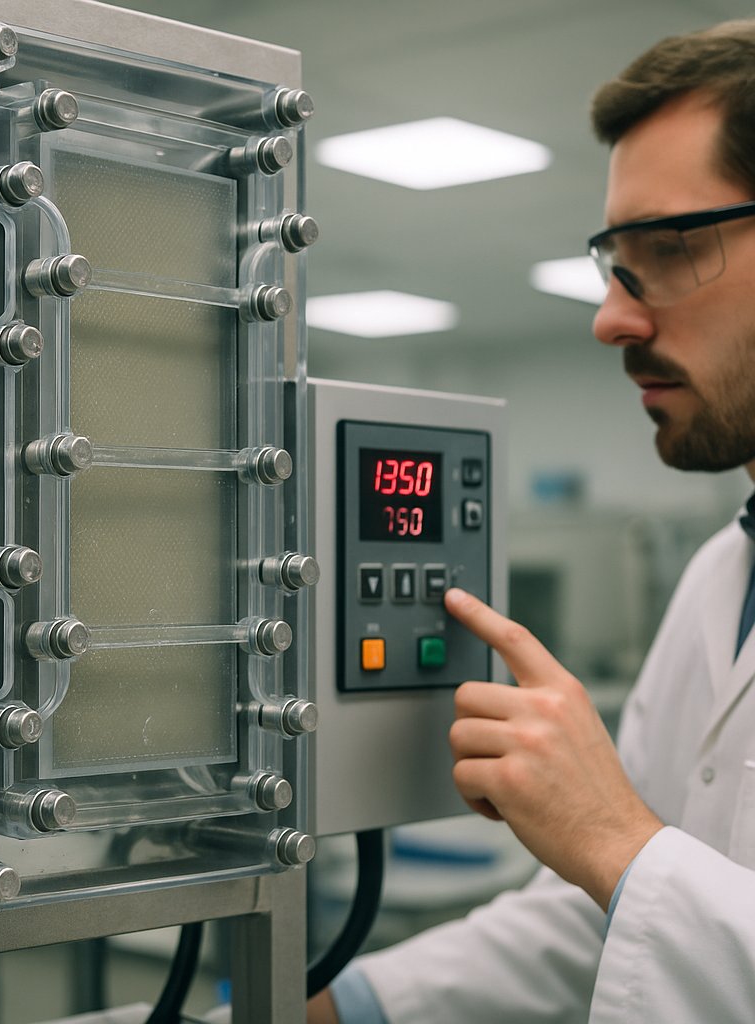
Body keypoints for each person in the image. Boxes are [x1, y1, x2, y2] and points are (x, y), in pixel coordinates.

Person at [308, 19, 755, 1024]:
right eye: (612, 261)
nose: (610, 317)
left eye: (669, 250)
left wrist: (612, 837)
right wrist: (337, 1009)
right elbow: (602, 915)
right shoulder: (721, 578)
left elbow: (629, 870)